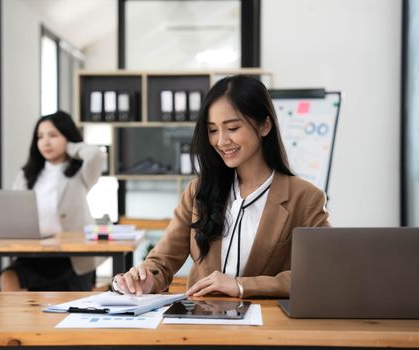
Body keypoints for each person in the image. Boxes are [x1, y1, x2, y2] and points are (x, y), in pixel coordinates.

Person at [113, 75, 330, 298]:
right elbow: (163, 260)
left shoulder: (305, 198)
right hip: (202, 325)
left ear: (265, 126)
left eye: (233, 128)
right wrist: (146, 279)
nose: (221, 141)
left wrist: (242, 285)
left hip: (265, 327)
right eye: (213, 130)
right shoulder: (198, 191)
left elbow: (322, 274)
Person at [0, 110, 105, 291]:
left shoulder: (80, 173)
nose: (45, 142)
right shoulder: (27, 175)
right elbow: (13, 211)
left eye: (53, 135)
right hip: (35, 252)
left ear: (67, 137)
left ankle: (99, 289)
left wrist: (71, 147)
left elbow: (96, 154)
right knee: (8, 277)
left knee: (69, 305)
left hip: (71, 256)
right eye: (40, 137)